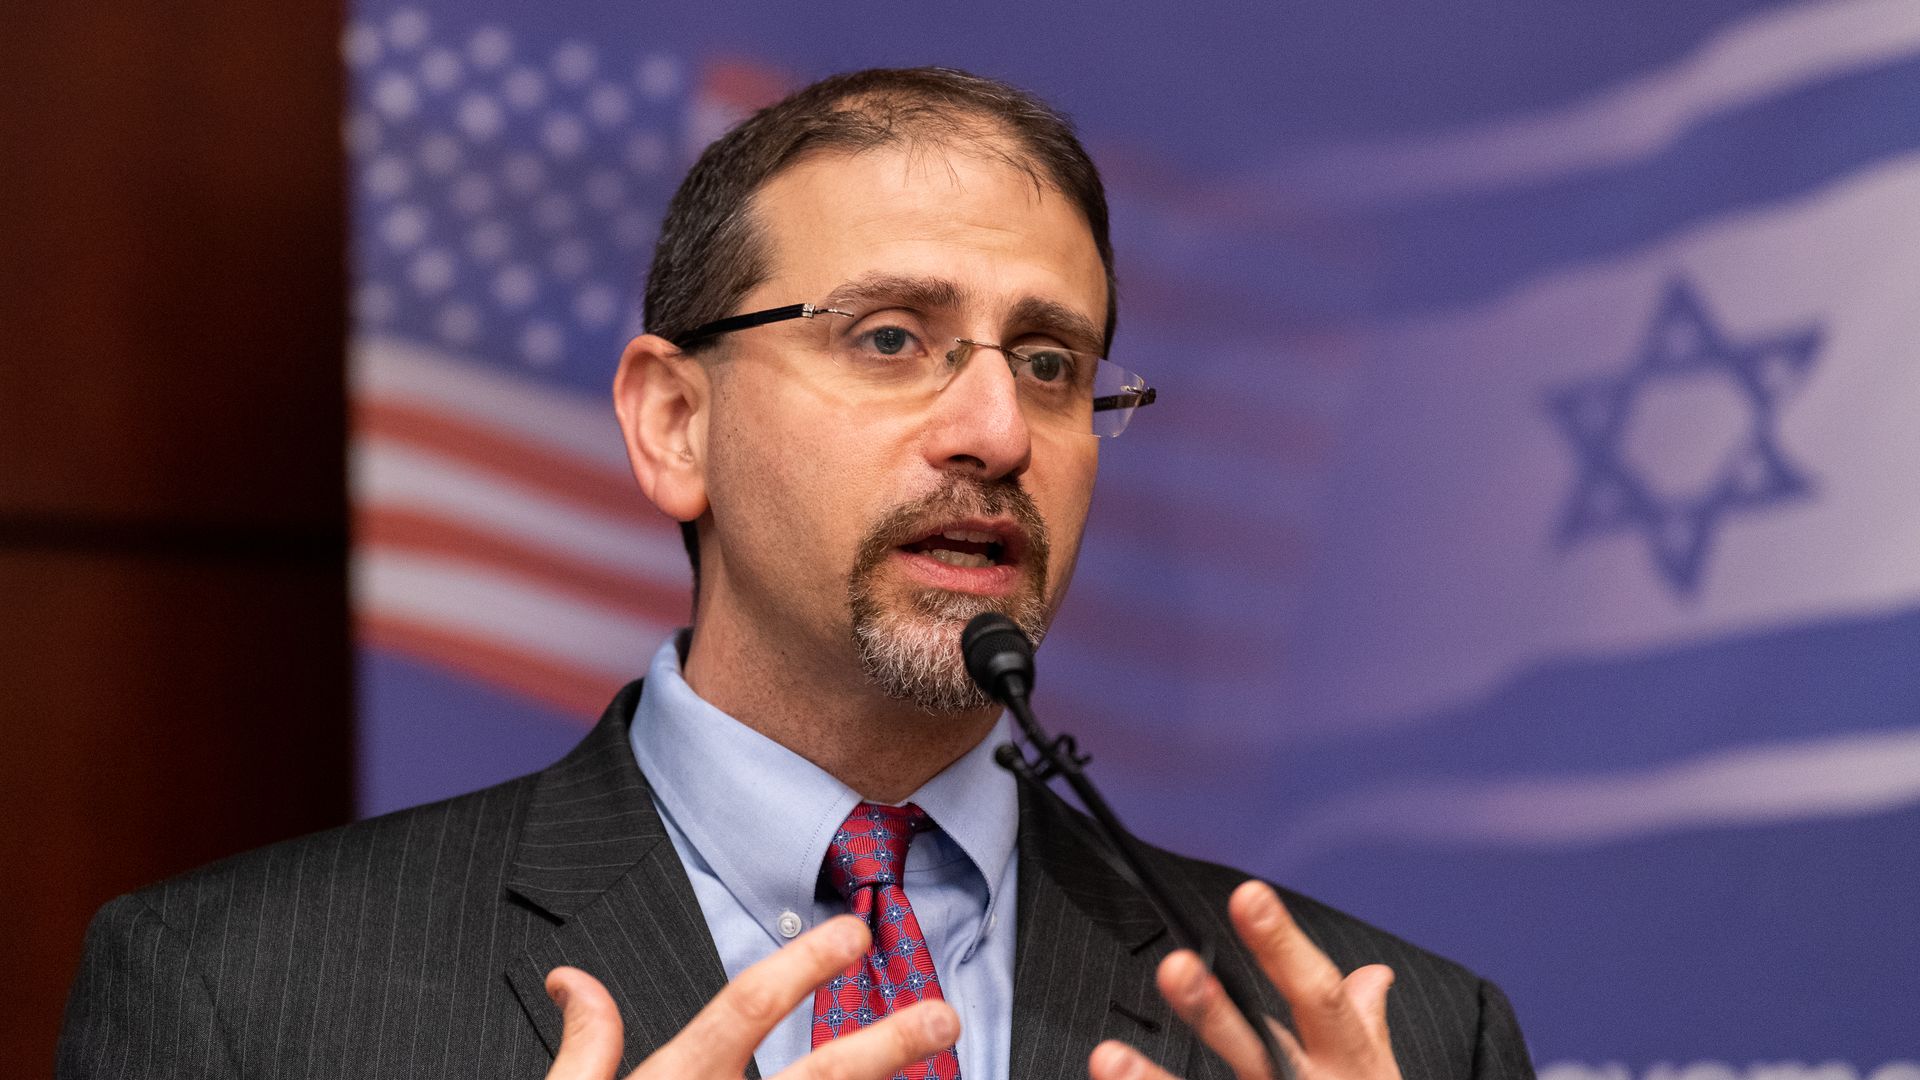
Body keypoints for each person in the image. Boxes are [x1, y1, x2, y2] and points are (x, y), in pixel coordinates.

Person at [56, 67, 1534, 1080]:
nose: (997, 430)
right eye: (890, 337)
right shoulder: (242, 998)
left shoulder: (1374, 1031)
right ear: (674, 422)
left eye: (1051, 361)